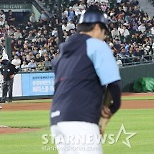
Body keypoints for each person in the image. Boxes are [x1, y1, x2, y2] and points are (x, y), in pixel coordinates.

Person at [50, 5, 121, 154]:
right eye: (104, 31)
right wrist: (111, 110)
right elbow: (114, 86)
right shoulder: (97, 45)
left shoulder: (62, 54)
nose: (104, 36)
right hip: (80, 121)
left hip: (57, 121)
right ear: (96, 27)